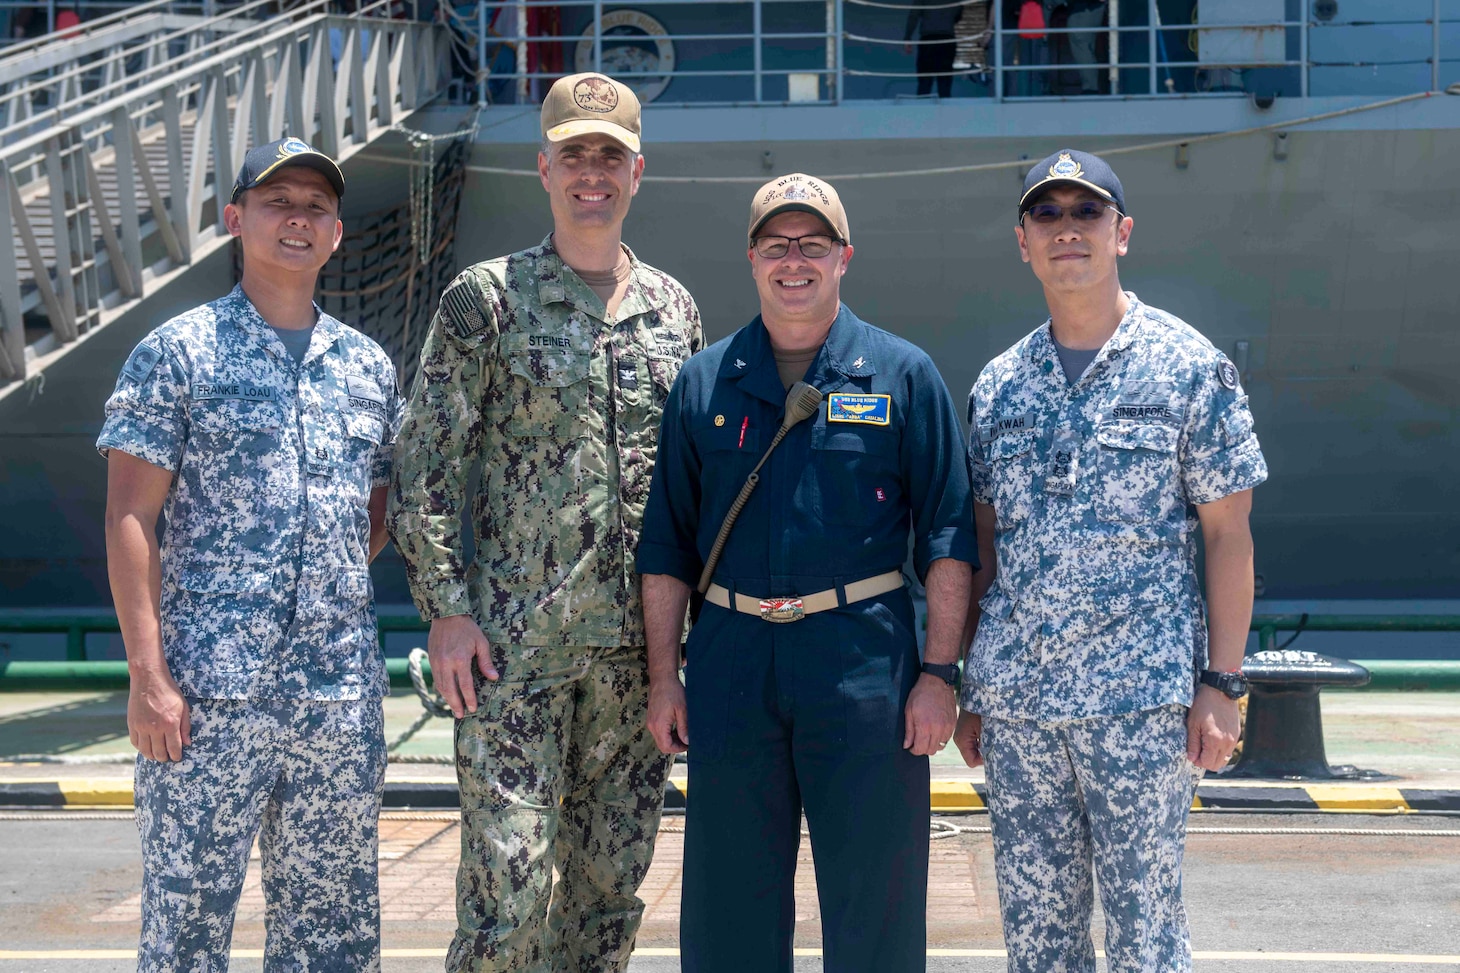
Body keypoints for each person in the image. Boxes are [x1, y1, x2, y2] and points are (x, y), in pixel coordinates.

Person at [388, 72, 703, 973]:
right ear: (544, 168)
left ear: (637, 171)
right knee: (508, 903)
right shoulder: (487, 300)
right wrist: (446, 610)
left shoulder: (674, 312)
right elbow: (425, 463)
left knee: (608, 906)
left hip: (636, 666)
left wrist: (677, 655)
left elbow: (685, 491)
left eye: (610, 155)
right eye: (575, 155)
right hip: (514, 659)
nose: (591, 173)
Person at [638, 173, 977, 973]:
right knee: (729, 910)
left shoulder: (902, 377)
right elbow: (666, 546)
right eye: (777, 244)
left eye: (813, 244)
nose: (795, 261)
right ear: (752, 258)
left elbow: (950, 535)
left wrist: (938, 673)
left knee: (875, 905)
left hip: (862, 663)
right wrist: (664, 675)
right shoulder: (704, 383)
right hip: (731, 660)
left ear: (844, 256)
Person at [955, 148, 1267, 972]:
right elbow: (987, 549)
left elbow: (1228, 537)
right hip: (1020, 711)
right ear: (1023, 241)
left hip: (1142, 707)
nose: (1068, 231)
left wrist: (1223, 683)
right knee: (1039, 944)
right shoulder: (999, 385)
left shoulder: (1190, 367)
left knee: (1146, 938)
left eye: (1085, 213)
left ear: (1121, 233)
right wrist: (969, 686)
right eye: (1047, 215)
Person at [98, 136, 402, 971]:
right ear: (237, 221)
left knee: (333, 933)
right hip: (204, 700)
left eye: (315, 206)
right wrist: (149, 677)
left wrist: (320, 573)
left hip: (337, 699)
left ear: (336, 233)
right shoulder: (178, 352)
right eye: (278, 202)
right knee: (187, 928)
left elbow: (375, 507)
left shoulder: (368, 368)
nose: (297, 219)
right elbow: (130, 516)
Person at [904, 0, 966, 97]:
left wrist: (907, 38)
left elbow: (914, 16)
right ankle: (945, 108)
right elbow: (958, 16)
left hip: (928, 39)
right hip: (947, 40)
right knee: (945, 81)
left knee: (925, 80)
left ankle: (922, 107)